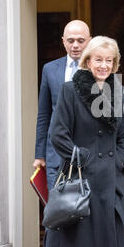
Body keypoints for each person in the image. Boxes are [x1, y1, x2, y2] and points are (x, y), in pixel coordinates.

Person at [44, 36, 124, 247]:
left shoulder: (119, 92)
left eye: (109, 61)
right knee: (81, 244)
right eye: (99, 60)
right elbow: (58, 135)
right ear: (87, 61)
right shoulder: (70, 91)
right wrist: (84, 158)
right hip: (82, 180)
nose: (104, 65)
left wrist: (119, 162)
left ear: (114, 64)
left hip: (112, 181)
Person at [33, 20, 91, 191]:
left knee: (86, 212)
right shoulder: (50, 69)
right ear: (63, 41)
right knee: (59, 212)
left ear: (89, 41)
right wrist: (40, 154)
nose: (75, 45)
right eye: (70, 40)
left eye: (80, 41)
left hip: (87, 153)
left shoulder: (98, 69)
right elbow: (44, 114)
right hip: (55, 154)